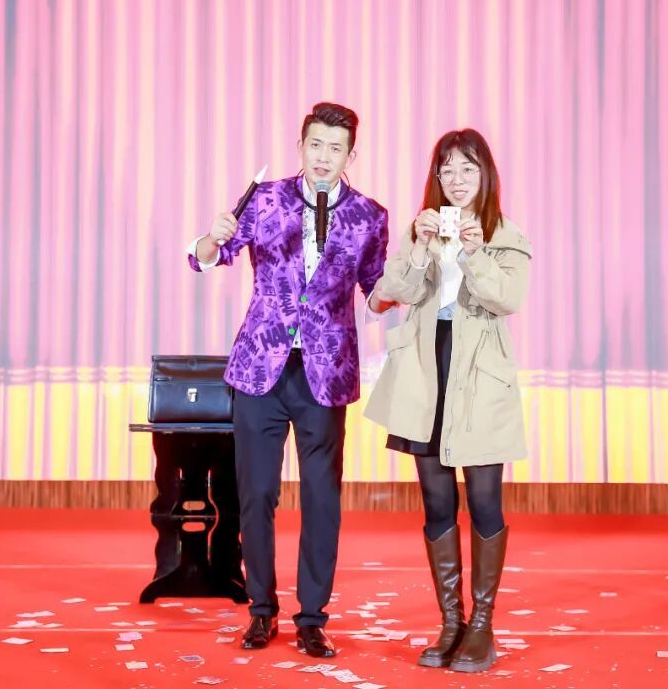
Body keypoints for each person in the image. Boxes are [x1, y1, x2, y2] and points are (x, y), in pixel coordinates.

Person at [187, 102, 393, 658]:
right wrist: (211, 237)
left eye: (335, 148)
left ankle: (312, 618)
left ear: (351, 155)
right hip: (260, 367)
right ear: (300, 146)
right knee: (256, 493)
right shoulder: (265, 199)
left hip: (326, 372)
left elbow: (376, 290)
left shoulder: (369, 215)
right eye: (315, 145)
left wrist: (408, 281)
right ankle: (261, 611)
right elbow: (208, 257)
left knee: (323, 499)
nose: (324, 157)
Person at [364, 128, 531, 673]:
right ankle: (451, 621)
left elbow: (506, 298)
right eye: (447, 169)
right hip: (425, 368)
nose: (456, 179)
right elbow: (397, 292)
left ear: (486, 174)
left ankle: (482, 625)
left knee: (483, 499)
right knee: (437, 501)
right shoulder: (425, 229)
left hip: (478, 372)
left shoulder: (506, 234)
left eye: (467, 168)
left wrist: (477, 253)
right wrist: (418, 247)